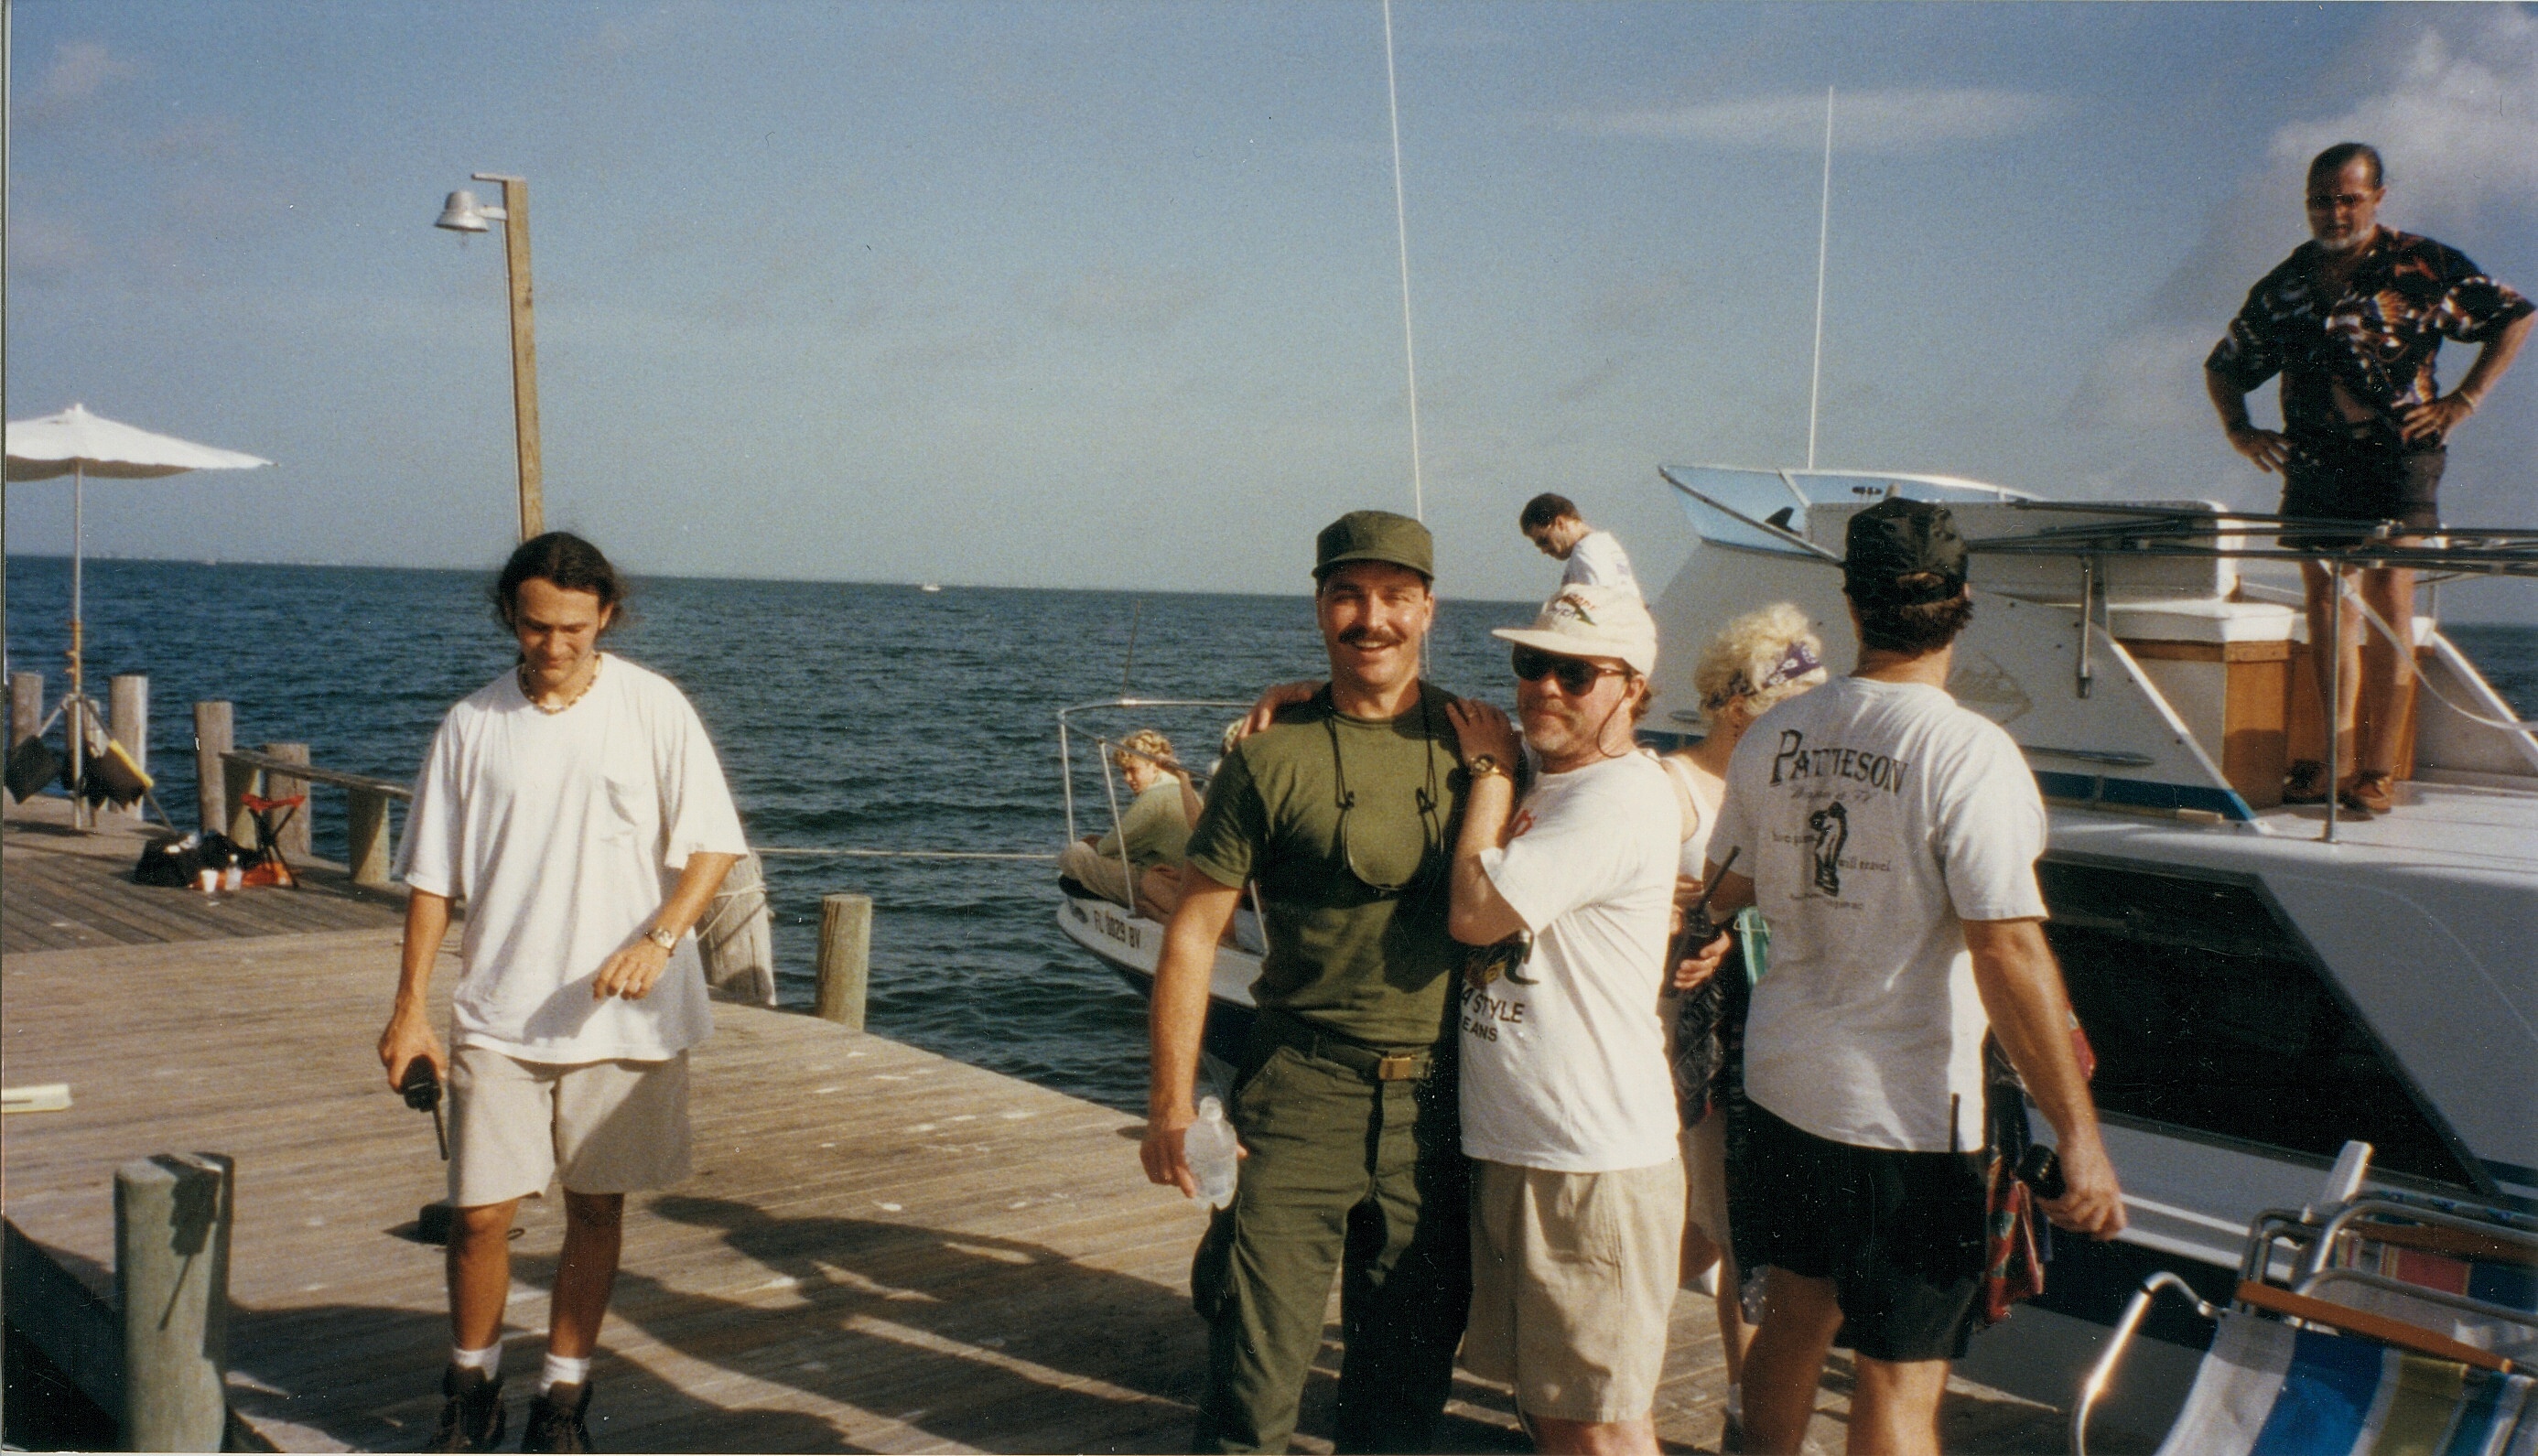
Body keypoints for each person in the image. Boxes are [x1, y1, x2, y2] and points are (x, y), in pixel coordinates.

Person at [1694, 499, 2126, 1456]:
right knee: (1900, 1373)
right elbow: (2007, 951)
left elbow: (1724, 887)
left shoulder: (1776, 734)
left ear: (1851, 606)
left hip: (1783, 1090)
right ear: (1962, 603)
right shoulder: (1969, 753)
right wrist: (2079, 1137)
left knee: (1794, 1320)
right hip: (1911, 1122)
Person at [379, 534, 748, 1454]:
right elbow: (431, 879)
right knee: (479, 1216)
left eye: (574, 628)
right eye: (538, 626)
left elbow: (712, 845)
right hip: (499, 1010)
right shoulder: (472, 724)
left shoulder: (654, 707)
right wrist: (408, 1007)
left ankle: (563, 1401)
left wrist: (659, 937)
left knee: (597, 1208)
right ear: (510, 615)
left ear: (607, 617)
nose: (554, 646)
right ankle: (470, 1392)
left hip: (626, 1013)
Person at [1140, 510, 1472, 1454]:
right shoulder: (1268, 753)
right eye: (1348, 595)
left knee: (1403, 1398)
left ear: (1429, 609)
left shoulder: (1482, 743)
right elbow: (1195, 931)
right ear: (1319, 605)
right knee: (1254, 1380)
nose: (1372, 619)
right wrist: (1170, 1105)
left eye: (1396, 598)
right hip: (1299, 1093)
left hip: (1441, 1109)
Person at [2205, 141, 2532, 816]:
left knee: (2388, 601)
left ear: (2376, 197)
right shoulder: (2286, 283)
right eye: (2321, 200)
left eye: (2348, 198)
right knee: (2325, 606)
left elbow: (2514, 315)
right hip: (2317, 461)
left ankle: (2376, 772)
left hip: (2398, 455)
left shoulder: (2422, 264)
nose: (2334, 212)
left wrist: (2461, 401)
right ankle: (2335, 763)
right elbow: (2225, 362)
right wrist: (2239, 429)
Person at [1441, 584, 1683, 1456]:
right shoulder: (1562, 780)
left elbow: (1473, 914)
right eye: (1529, 663)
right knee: (1552, 1409)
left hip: (1590, 1161)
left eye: (1575, 672)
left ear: (1632, 688)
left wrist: (1491, 775)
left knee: (1599, 1425)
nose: (1543, 686)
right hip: (1524, 1146)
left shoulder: (1615, 798)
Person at [1657, 602, 1829, 1449]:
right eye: (1784, 706)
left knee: (1701, 1225)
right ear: (1736, 707)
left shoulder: (1790, 787)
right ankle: (1741, 1404)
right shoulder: (1672, 788)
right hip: (1695, 1034)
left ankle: (1582, 1336)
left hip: (1774, 1026)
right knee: (1735, 1226)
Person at [1057, 728, 1203, 917]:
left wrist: (1093, 844)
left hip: (1162, 884)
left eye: (1133, 770)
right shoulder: (1190, 794)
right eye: (1124, 772)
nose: (1127, 779)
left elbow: (1107, 848)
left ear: (1154, 765)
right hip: (1189, 881)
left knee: (1074, 854)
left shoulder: (1154, 798)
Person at [1519, 492, 1639, 596]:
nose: (1543, 550)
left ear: (1560, 523)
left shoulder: (1587, 550)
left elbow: (1598, 607)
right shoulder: (1604, 544)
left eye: (1544, 541)